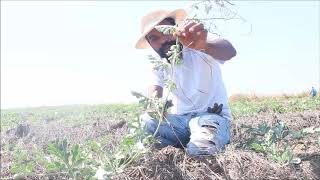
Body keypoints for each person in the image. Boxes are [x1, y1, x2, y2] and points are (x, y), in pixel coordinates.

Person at [135, 9, 237, 156]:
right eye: (154, 38)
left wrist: (204, 45)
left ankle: (198, 146)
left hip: (210, 117)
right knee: (145, 123)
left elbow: (229, 51)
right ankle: (177, 149)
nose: (163, 40)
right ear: (150, 44)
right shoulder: (159, 64)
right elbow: (154, 89)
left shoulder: (197, 44)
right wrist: (156, 105)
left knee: (200, 150)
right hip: (179, 124)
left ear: (176, 29)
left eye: (166, 32)